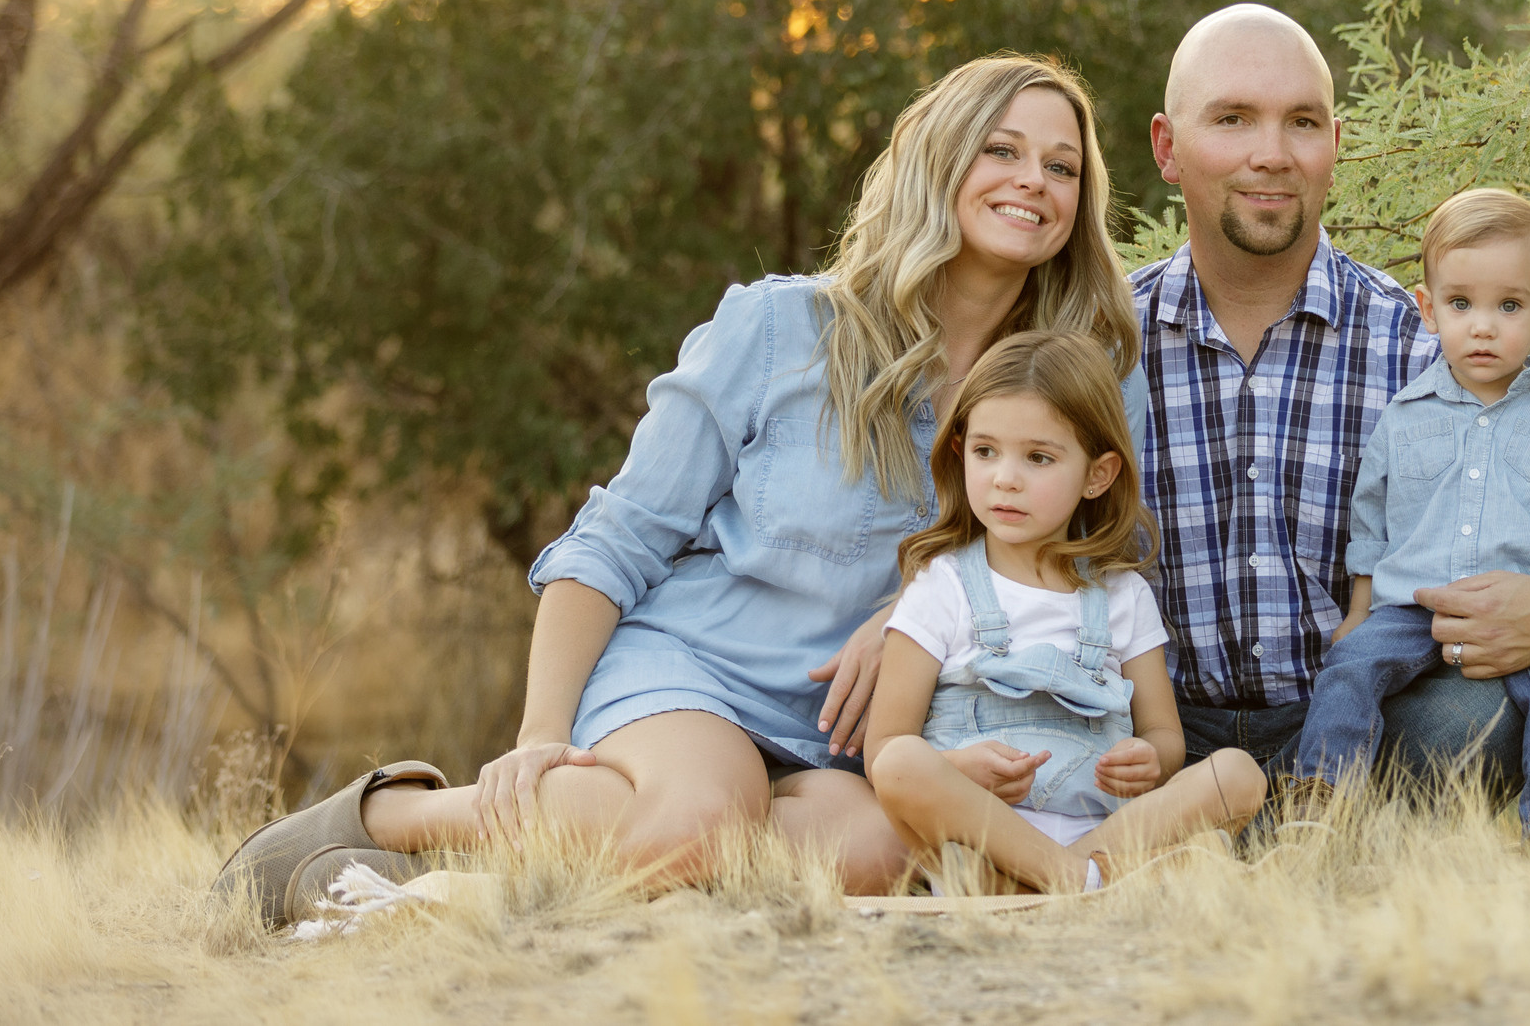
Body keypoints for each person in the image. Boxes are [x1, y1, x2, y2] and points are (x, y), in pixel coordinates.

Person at [215, 55, 1138, 926]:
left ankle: (559, 849)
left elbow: (1084, 557)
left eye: (1062, 166)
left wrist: (910, 606)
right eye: (1003, 149)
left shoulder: (1073, 379)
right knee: (702, 820)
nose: (1035, 180)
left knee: (883, 847)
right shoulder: (781, 327)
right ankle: (397, 833)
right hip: (693, 674)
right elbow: (618, 534)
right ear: (942, 161)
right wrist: (540, 731)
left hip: (844, 743)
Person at [1124, 4, 1530, 793]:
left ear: (1335, 146)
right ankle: (1213, 824)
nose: (1271, 154)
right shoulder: (1102, 346)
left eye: (1301, 122)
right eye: (1232, 118)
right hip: (1150, 735)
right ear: (1169, 147)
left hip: (1367, 724)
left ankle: (1317, 818)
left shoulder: (1426, 349)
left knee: (1479, 720)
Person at [864, 330, 1265, 893]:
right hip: (983, 835)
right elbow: (883, 748)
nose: (1005, 477)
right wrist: (957, 769)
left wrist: (1149, 759)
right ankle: (1086, 883)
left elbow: (1164, 736)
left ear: (1097, 475)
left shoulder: (1122, 595)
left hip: (1106, 829)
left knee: (1236, 774)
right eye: (985, 451)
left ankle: (1058, 884)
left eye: (1038, 457)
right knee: (904, 763)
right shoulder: (942, 584)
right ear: (961, 453)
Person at [1295, 189, 1530, 835]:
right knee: (1349, 665)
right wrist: (1360, 608)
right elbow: (1371, 520)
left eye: (1509, 305)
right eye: (1461, 304)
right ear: (1428, 309)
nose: (1483, 325)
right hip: (1410, 607)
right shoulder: (1405, 416)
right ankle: (1321, 791)